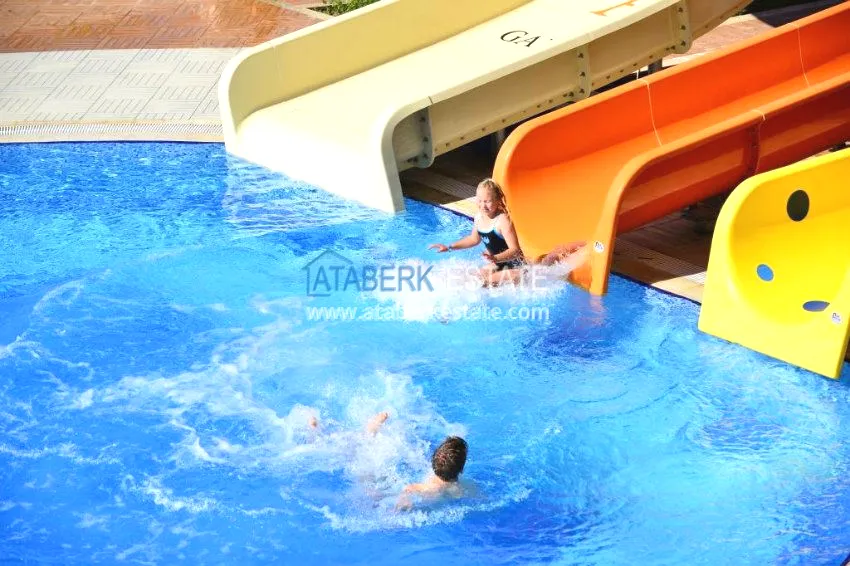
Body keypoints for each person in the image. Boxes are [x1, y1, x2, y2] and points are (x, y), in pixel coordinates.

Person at [429, 178, 524, 287]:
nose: (483, 205)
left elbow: (515, 251)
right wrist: (449, 247)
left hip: (516, 267)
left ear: (498, 200)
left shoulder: (502, 220)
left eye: (487, 201)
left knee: (483, 284)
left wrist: (495, 258)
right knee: (470, 280)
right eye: (479, 200)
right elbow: (473, 239)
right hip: (497, 264)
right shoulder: (479, 217)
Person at [396, 436, 468, 510]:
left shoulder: (430, 488)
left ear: (433, 462)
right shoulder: (464, 489)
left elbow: (408, 488)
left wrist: (404, 498)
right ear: (462, 469)